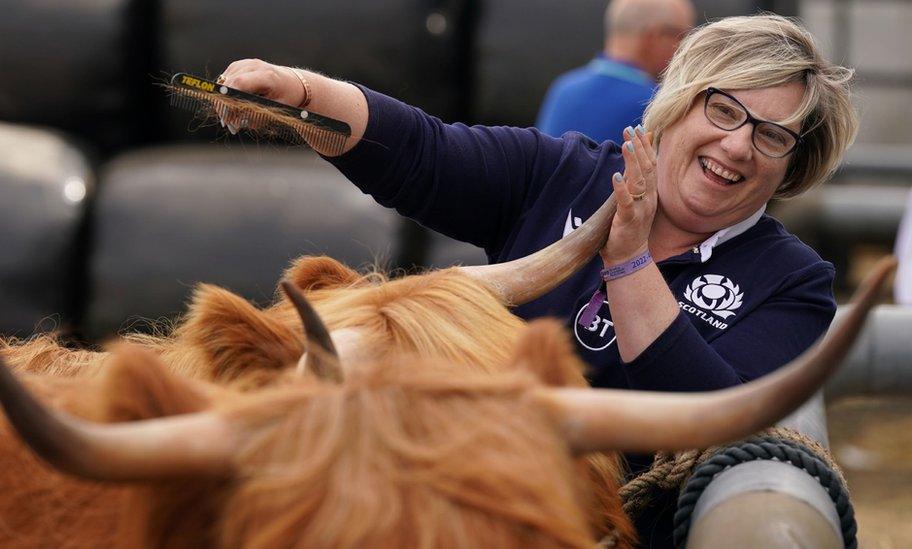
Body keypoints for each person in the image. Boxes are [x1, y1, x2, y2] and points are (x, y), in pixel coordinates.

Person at [217, 13, 858, 547]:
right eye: (723, 110)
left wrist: (630, 261)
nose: (739, 146)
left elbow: (715, 421)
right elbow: (421, 154)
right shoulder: (562, 173)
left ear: (792, 167)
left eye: (773, 137)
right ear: (679, 104)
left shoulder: (794, 282)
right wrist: (299, 95)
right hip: (457, 508)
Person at [536, 0, 695, 142]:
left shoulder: (563, 88)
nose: (684, 49)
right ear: (655, 37)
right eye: (682, 37)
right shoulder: (657, 103)